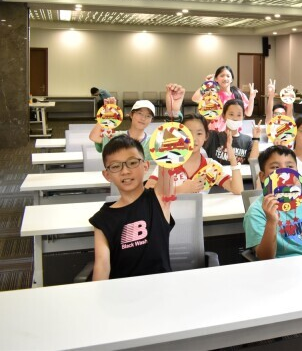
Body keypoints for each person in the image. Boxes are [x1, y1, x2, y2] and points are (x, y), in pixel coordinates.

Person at [89, 135, 175, 280]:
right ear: (107, 175)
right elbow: (102, 266)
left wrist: (169, 134)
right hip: (121, 291)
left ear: (146, 166)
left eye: (133, 163)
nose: (125, 171)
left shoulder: (160, 199)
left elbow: (168, 160)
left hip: (160, 289)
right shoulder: (102, 220)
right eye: (115, 166)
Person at [243, 146, 302, 260]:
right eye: (275, 167)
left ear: (297, 173)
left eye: (289, 167)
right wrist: (271, 221)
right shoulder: (256, 212)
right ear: (263, 177)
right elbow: (265, 258)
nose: (284, 173)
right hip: (279, 267)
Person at [146, 114, 243, 194]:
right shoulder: (168, 162)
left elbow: (238, 190)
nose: (193, 139)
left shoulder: (211, 167)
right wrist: (180, 189)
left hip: (201, 212)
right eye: (188, 133)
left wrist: (232, 158)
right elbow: (148, 189)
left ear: (206, 136)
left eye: (199, 133)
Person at [89, 85, 186, 162]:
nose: (143, 118)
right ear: (131, 115)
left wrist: (173, 112)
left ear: (151, 120)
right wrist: (105, 116)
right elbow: (94, 137)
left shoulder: (153, 141)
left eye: (148, 116)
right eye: (140, 113)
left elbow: (173, 149)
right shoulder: (118, 137)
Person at [191, 65, 257, 132]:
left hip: (233, 132)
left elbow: (248, 113)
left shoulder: (238, 93)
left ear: (231, 79)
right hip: (214, 132)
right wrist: (208, 84)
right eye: (222, 76)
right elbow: (195, 98)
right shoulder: (212, 93)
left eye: (228, 76)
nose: (225, 78)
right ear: (216, 79)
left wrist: (251, 97)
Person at [203, 99, 261, 166]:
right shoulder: (213, 136)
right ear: (224, 116)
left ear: (243, 117)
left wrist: (256, 139)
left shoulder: (247, 140)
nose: (235, 118)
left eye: (239, 115)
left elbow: (254, 163)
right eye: (231, 114)